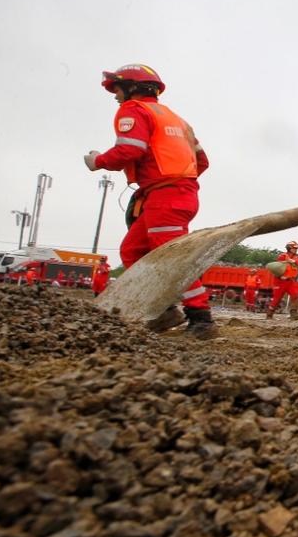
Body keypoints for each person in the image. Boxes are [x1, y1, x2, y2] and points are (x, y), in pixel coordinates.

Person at [84, 64, 215, 338]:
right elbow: (202, 161)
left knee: (175, 260)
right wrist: (176, 180)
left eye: (117, 89)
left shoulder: (134, 110)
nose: (115, 96)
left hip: (166, 197)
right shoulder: (177, 120)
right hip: (176, 194)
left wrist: (98, 161)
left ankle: (201, 318)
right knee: (133, 250)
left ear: (132, 87)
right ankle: (165, 310)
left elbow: (130, 149)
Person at [268, 241, 298, 319]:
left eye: (296, 248)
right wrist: (281, 275)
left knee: (295, 295)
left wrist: (295, 261)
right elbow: (277, 267)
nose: (296, 250)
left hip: (290, 281)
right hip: (280, 281)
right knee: (277, 299)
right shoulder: (282, 256)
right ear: (289, 248)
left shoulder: (297, 256)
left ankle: (294, 314)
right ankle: (269, 314)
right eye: (294, 248)